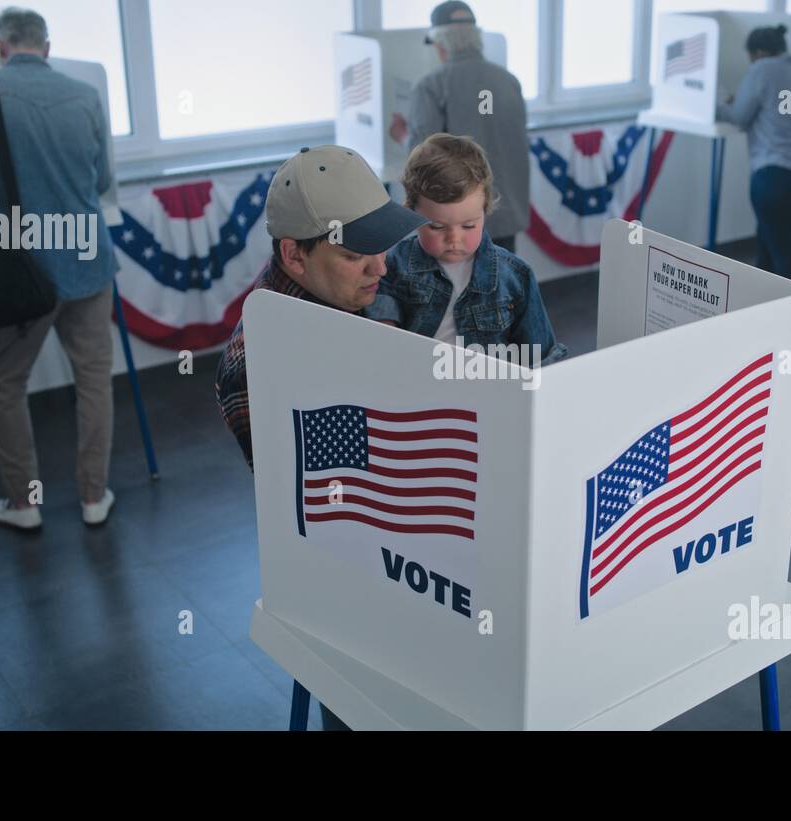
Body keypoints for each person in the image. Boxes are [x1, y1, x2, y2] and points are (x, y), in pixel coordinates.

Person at [215, 144, 427, 730]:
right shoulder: (255, 368)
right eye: (358, 251)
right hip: (345, 585)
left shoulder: (338, 290)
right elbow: (341, 511)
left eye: (382, 244)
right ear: (294, 256)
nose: (381, 267)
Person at [0, 6, 118, 530]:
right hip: (88, 256)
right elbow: (102, 180)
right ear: (47, 45)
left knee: (9, 383)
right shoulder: (85, 95)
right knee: (93, 380)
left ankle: (24, 503)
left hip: (21, 267)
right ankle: (92, 497)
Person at [365, 134, 566, 364]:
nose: (454, 238)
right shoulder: (392, 264)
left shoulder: (516, 277)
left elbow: (541, 356)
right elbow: (380, 327)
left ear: (485, 209)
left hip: (486, 387)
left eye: (469, 225)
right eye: (437, 226)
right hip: (416, 382)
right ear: (410, 213)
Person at [388, 1, 529, 253]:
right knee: (504, 283)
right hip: (506, 213)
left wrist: (401, 135)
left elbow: (424, 153)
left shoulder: (432, 85)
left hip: (459, 217)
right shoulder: (509, 80)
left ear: (440, 43)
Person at [716, 24, 791, 282]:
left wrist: (712, 105)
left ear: (757, 53)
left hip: (777, 178)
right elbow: (784, 109)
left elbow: (740, 117)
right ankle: (764, 308)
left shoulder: (761, 69)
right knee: (771, 240)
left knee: (785, 258)